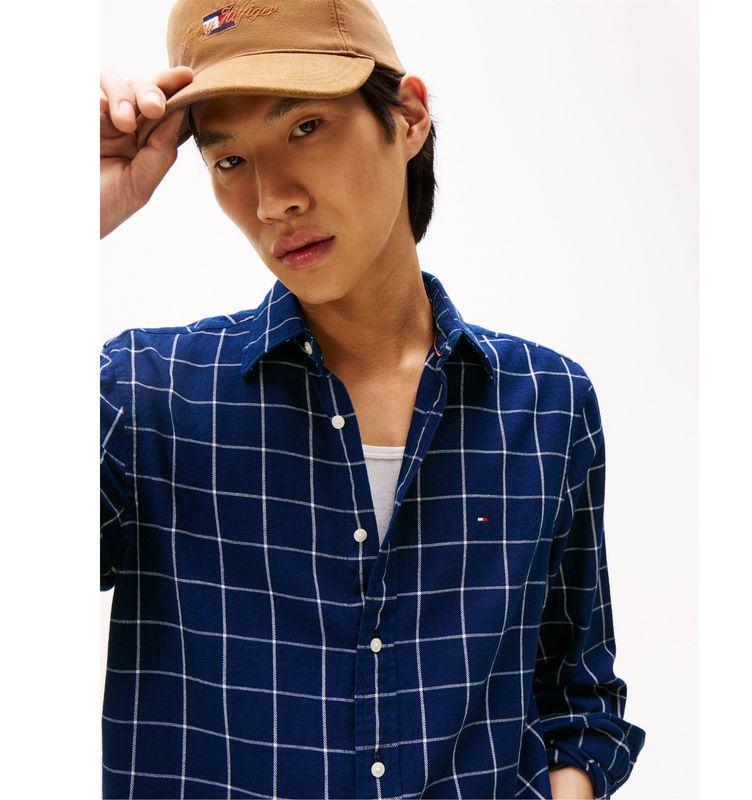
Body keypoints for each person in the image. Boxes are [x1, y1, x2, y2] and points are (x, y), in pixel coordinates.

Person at [100, 1, 646, 798]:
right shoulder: (143, 395)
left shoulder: (547, 405)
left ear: (409, 117)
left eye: (305, 128)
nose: (272, 200)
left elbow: (575, 692)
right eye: (230, 160)